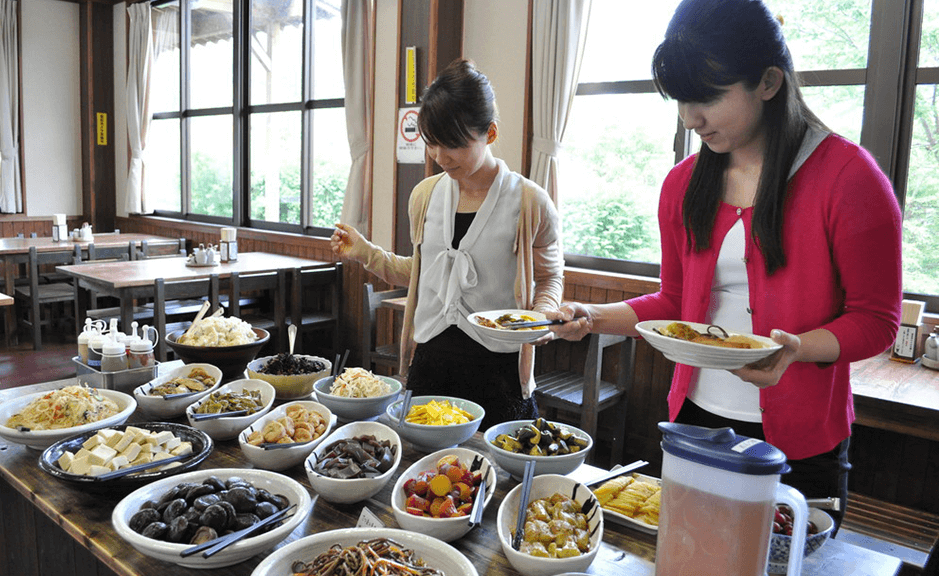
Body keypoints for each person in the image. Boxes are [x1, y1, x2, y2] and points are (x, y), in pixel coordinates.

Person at [546, 0, 902, 529]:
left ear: (768, 81)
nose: (692, 118)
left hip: (799, 445)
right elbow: (674, 304)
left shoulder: (848, 178)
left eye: (708, 98)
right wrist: (592, 317)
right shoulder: (684, 184)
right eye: (683, 100)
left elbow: (877, 321)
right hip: (695, 423)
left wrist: (797, 350)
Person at [331, 58, 564, 428]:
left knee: (492, 475)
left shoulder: (530, 202)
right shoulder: (424, 195)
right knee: (424, 474)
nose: (439, 157)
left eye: (452, 144)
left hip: (497, 370)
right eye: (432, 144)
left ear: (489, 133)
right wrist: (366, 253)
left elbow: (550, 277)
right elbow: (423, 273)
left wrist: (540, 315)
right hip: (431, 364)